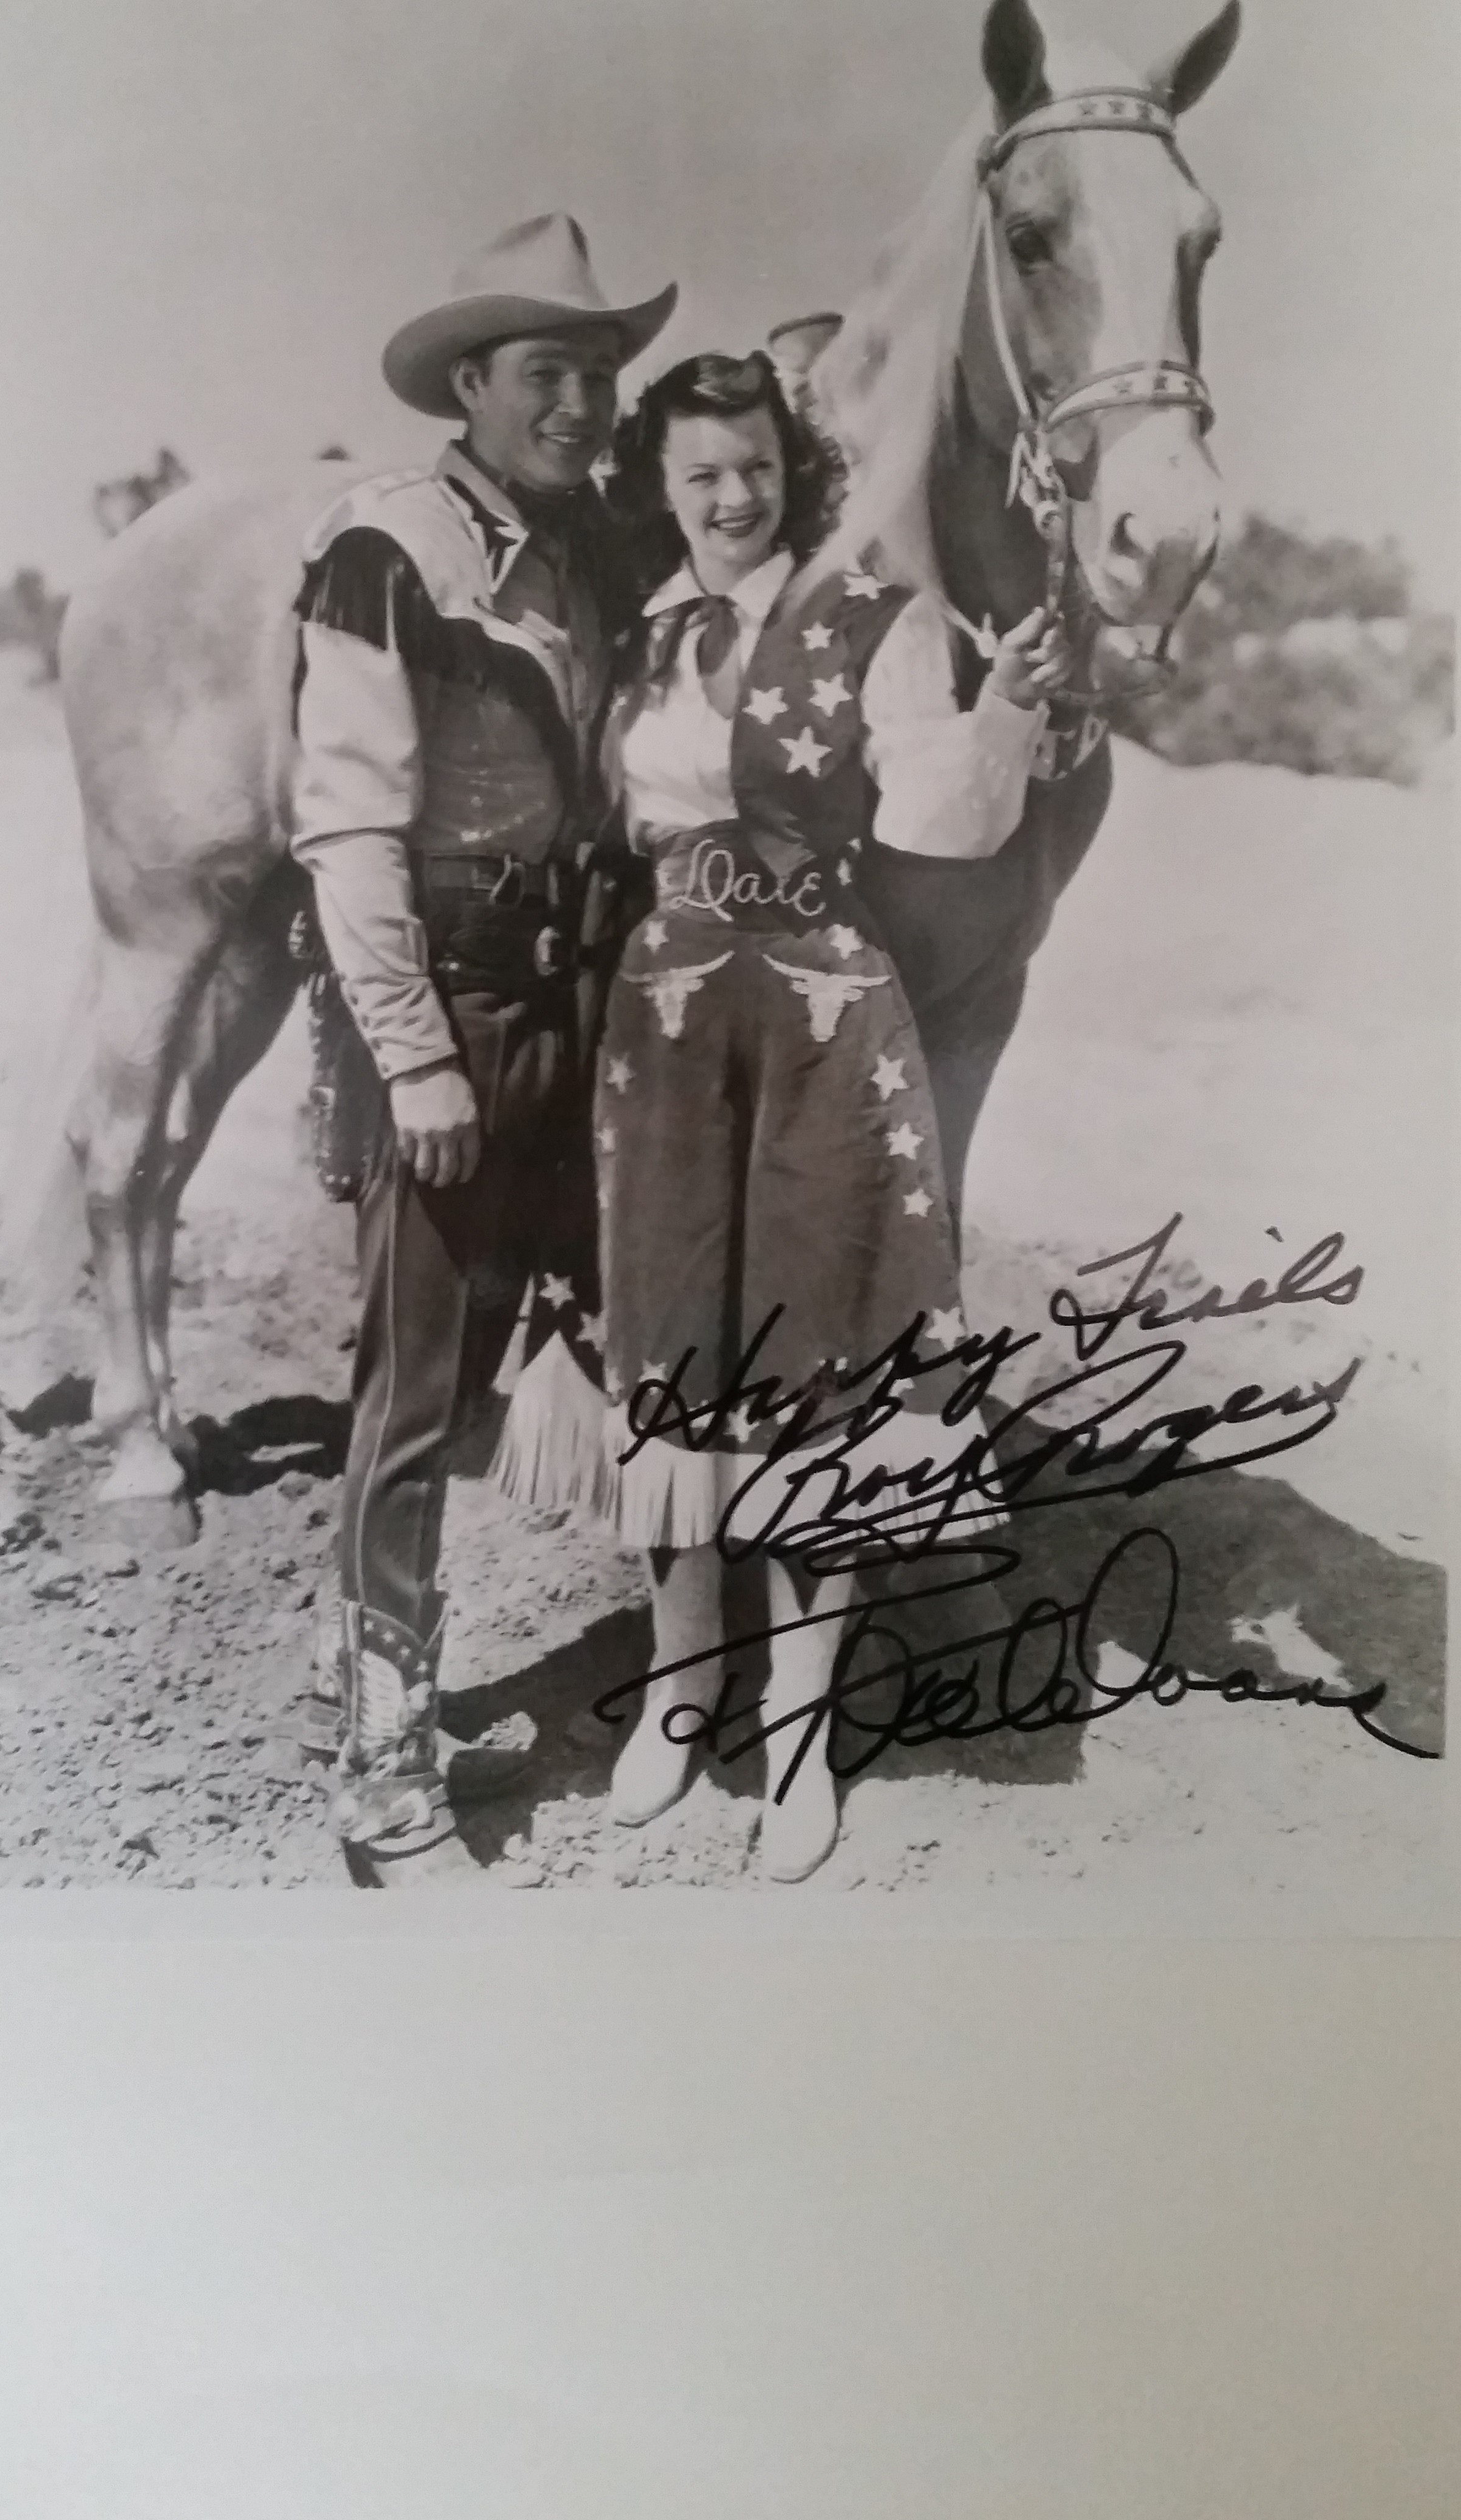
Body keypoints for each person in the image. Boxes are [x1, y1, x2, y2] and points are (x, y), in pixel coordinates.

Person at [586, 351, 1065, 1881]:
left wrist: (998, 712)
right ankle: (680, 1691)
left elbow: (939, 818)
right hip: (664, 1020)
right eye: (702, 474)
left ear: (793, 470)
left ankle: (799, 1717)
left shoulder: (875, 621)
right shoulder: (640, 636)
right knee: (669, 1342)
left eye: (756, 468)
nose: (735, 498)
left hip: (821, 1012)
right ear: (658, 488)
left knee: (822, 1355)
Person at [288, 215, 676, 1871]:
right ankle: (384, 1779)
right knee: (414, 1386)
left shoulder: (598, 552)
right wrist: (412, 1057)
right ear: (473, 382)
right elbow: (346, 831)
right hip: (448, 1019)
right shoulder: (387, 548)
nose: (582, 401)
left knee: (485, 1369)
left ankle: (358, 1667)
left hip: (575, 1019)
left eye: (598, 371)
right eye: (548, 372)